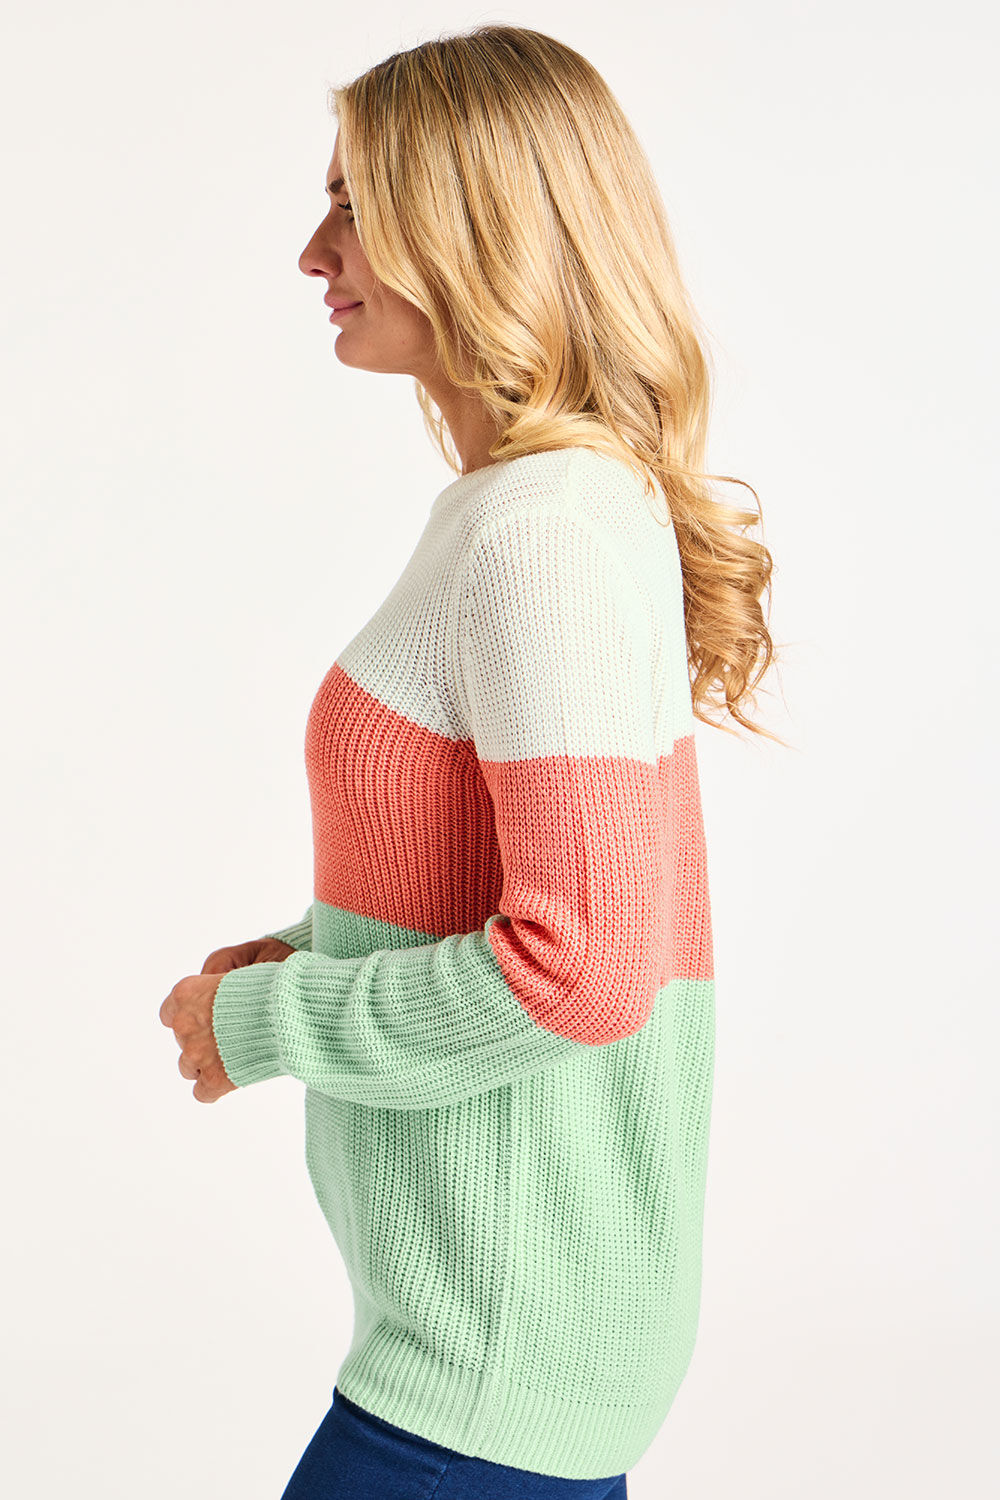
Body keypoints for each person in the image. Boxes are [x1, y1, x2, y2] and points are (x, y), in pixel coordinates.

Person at [159, 23, 783, 1498]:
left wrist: (267, 1022)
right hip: (494, 1342)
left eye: (355, 202)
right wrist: (305, 952)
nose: (314, 253)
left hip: (487, 1363)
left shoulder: (547, 532)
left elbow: (582, 969)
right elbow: (515, 891)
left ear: (476, 226)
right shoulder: (534, 512)